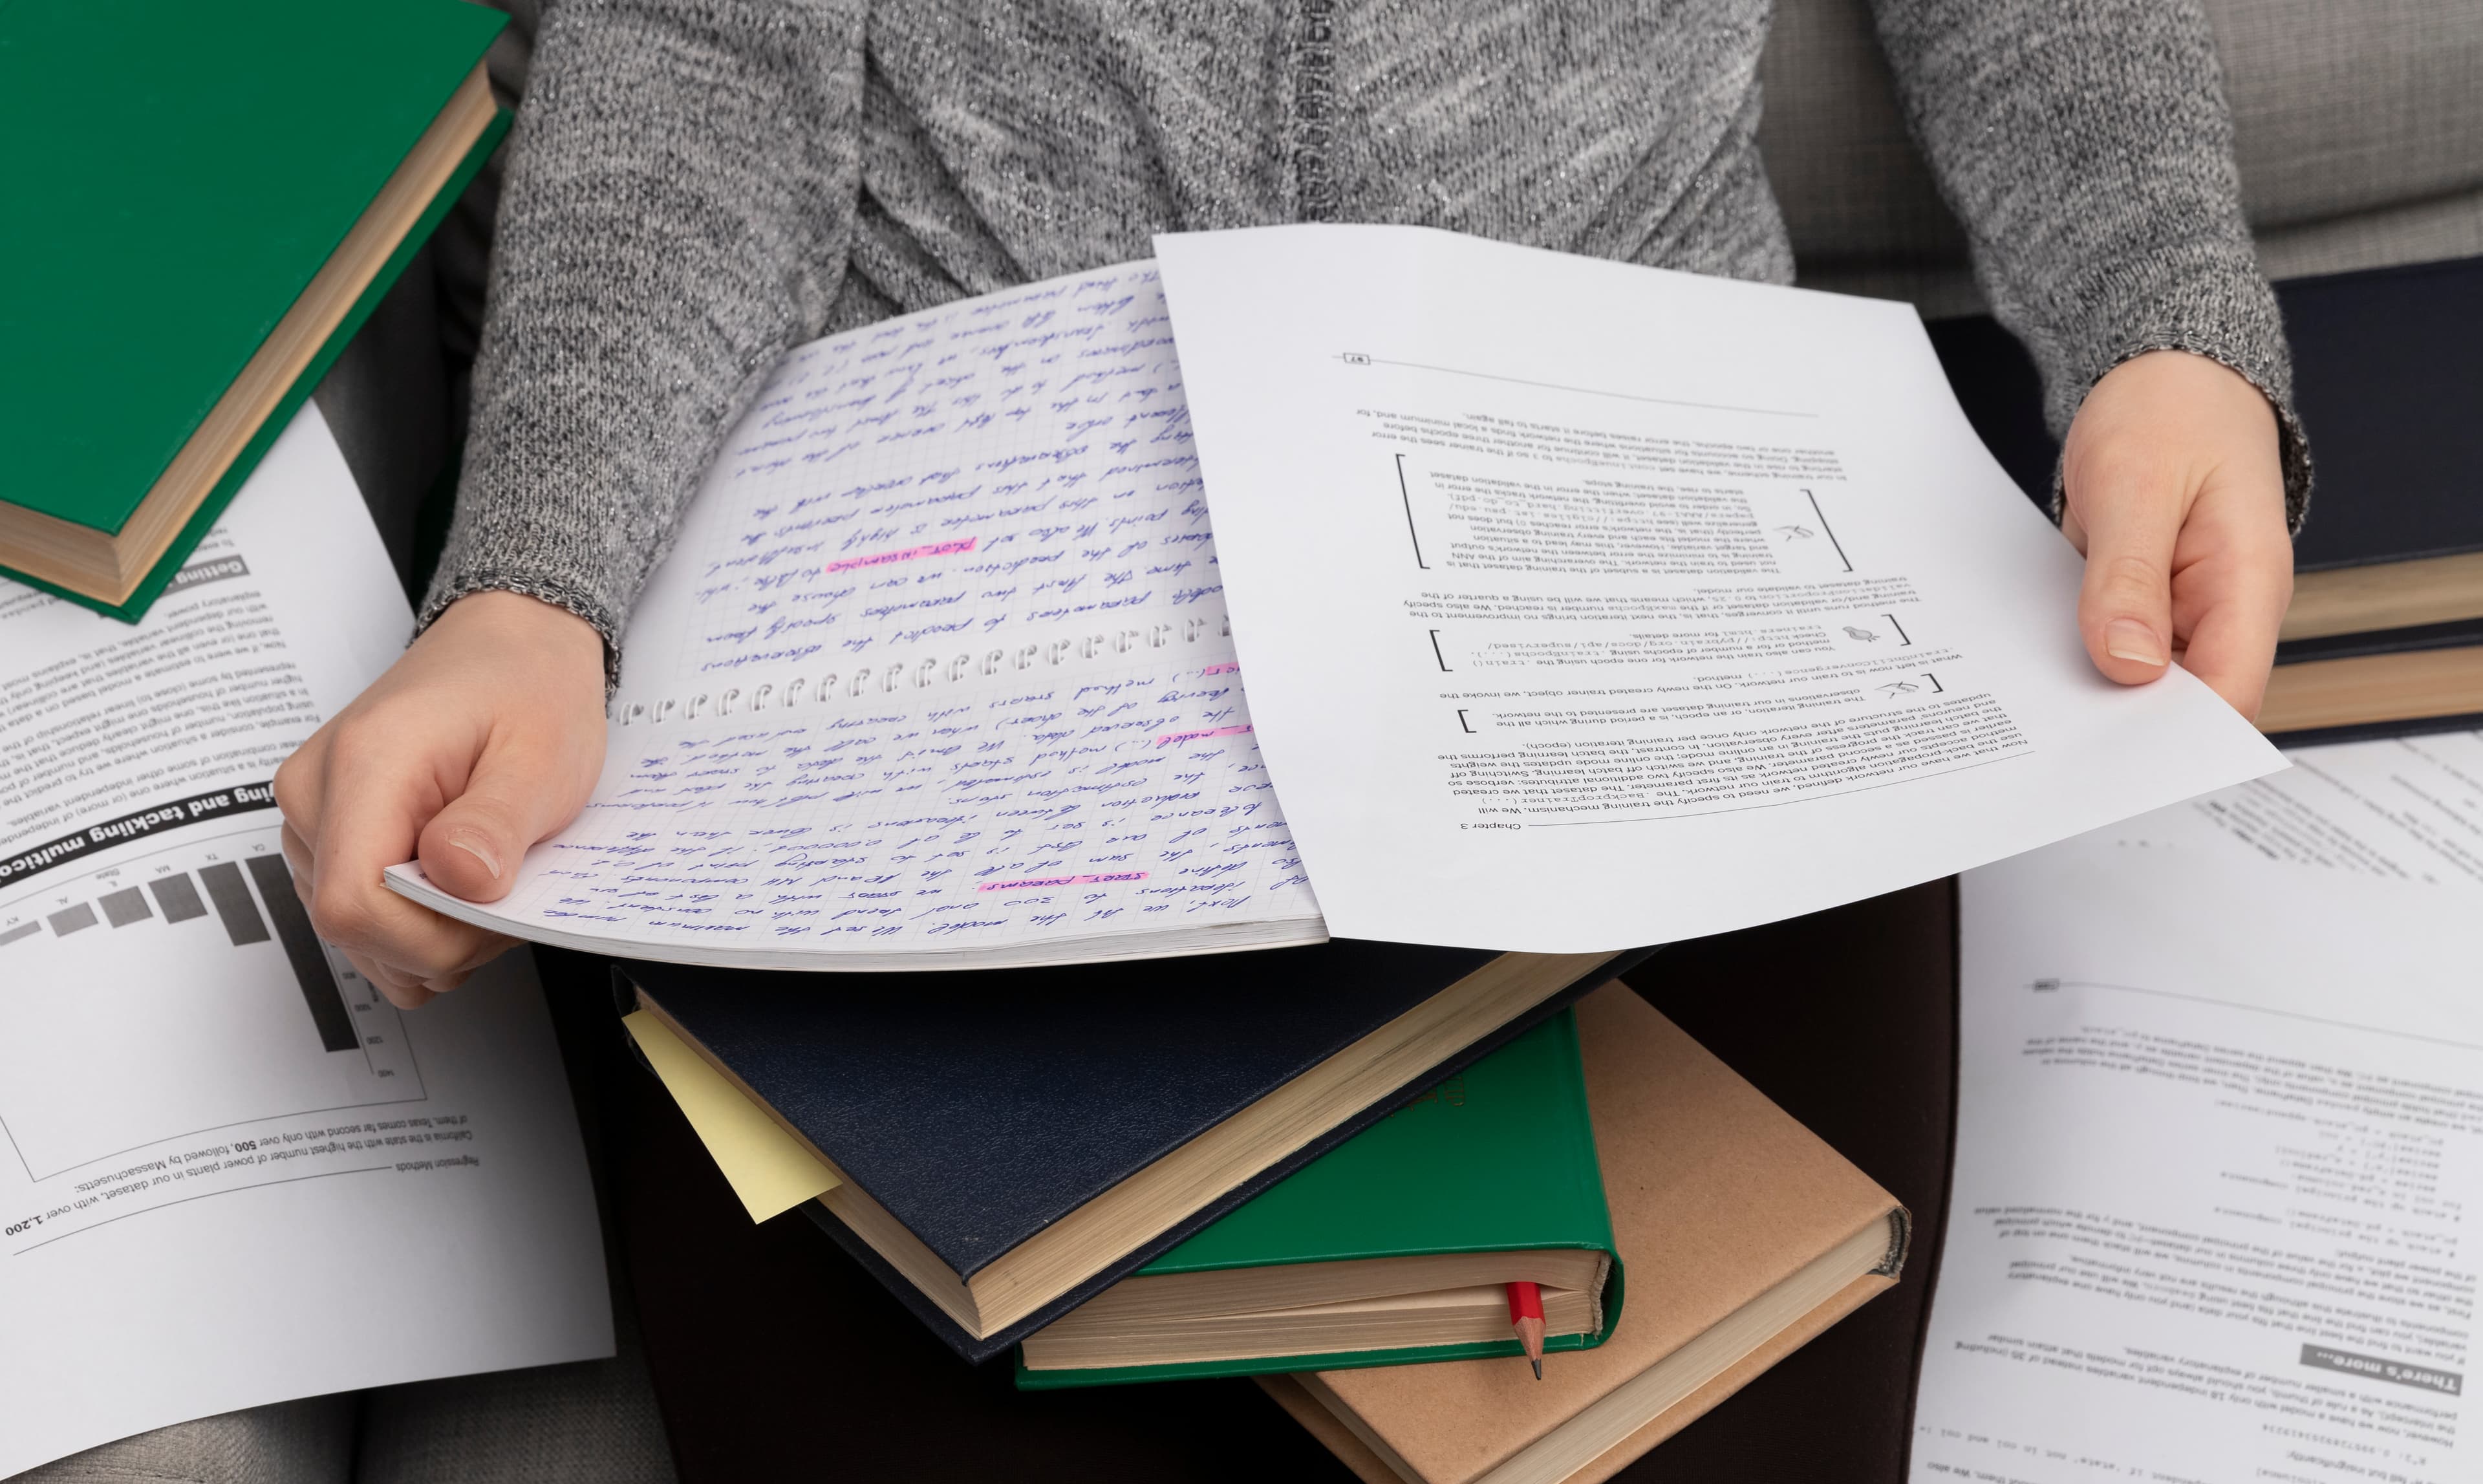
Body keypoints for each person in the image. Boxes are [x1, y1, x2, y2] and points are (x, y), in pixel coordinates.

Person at [277, 0, 2303, 1011]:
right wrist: (537, 578)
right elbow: (703, 51)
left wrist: (2163, 323)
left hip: (1662, 577)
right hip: (934, 589)